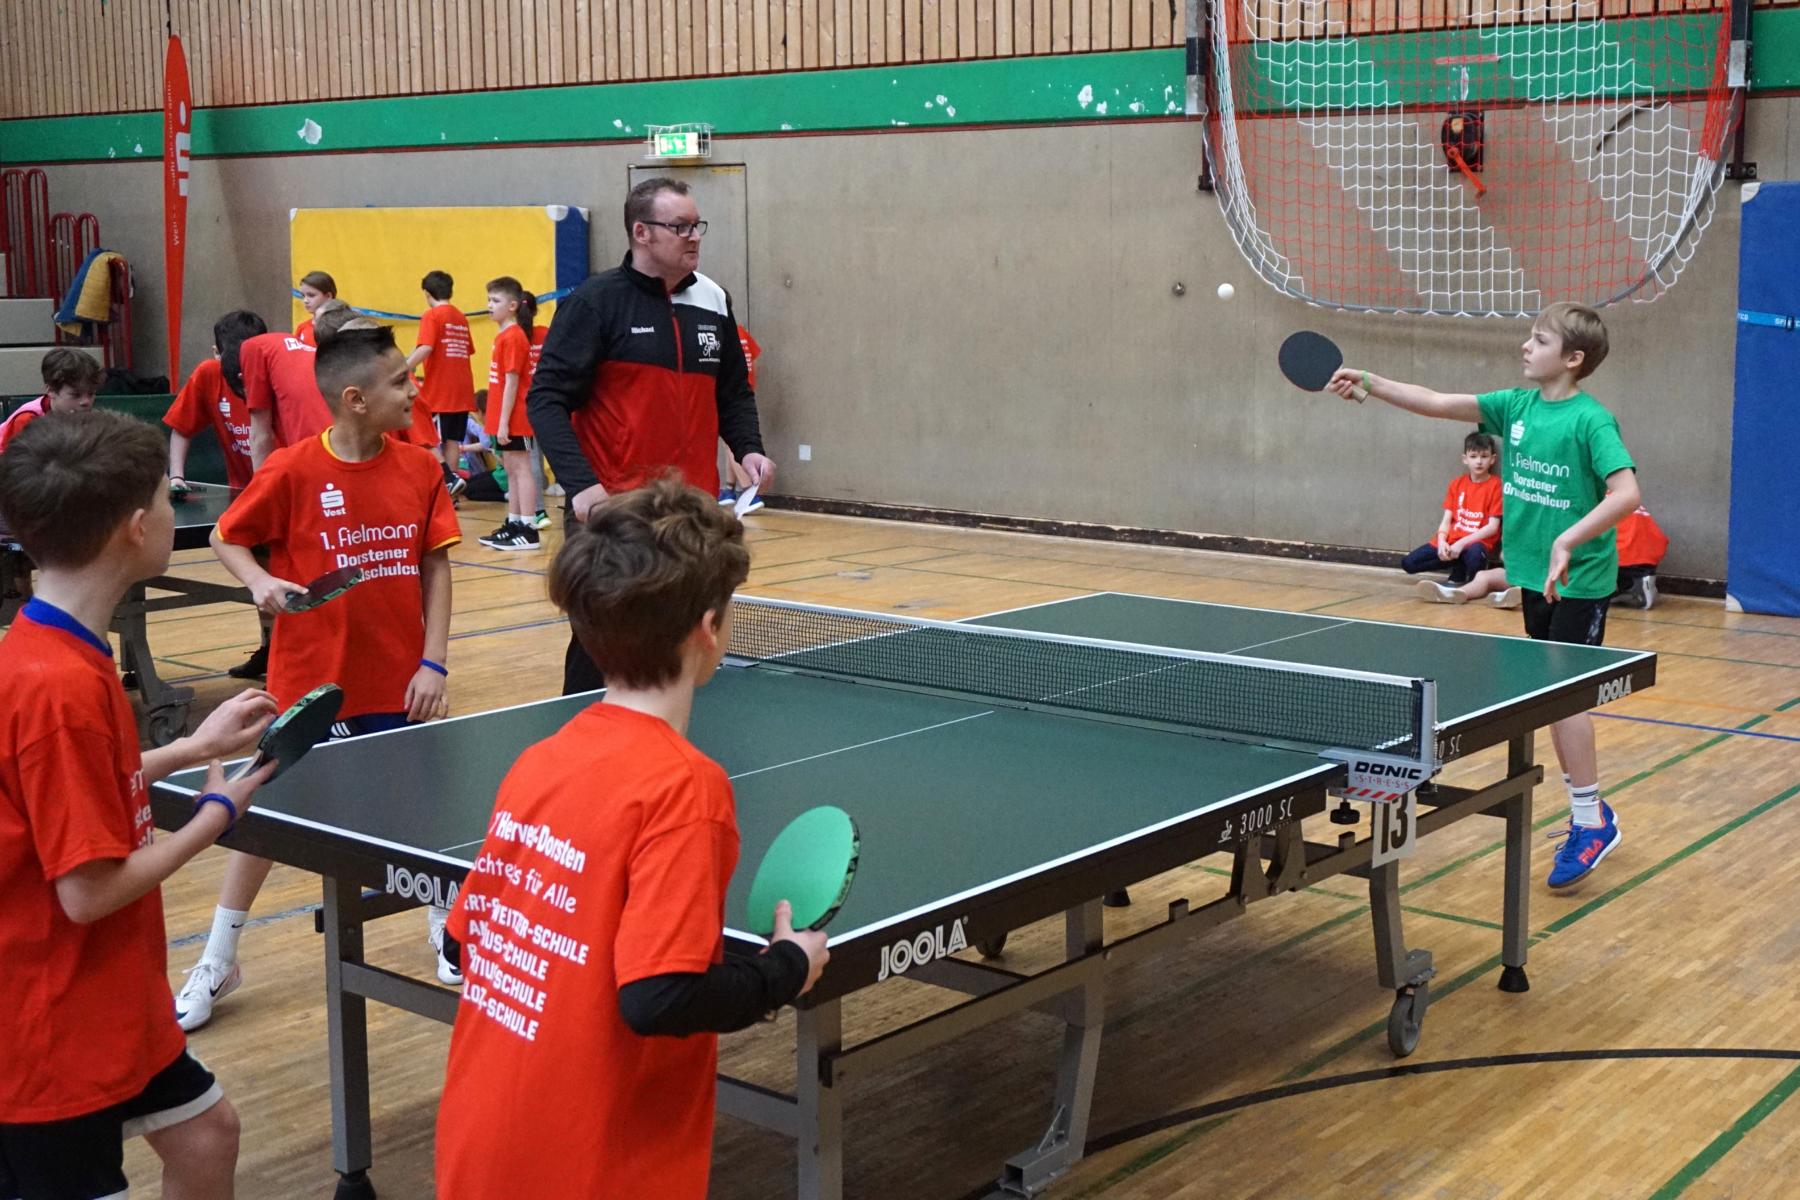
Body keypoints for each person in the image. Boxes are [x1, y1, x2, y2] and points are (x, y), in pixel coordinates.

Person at [434, 478, 828, 1198]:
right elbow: (657, 998)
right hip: (595, 1165)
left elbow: (465, 943)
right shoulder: (686, 789)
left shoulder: (540, 759)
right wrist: (786, 969)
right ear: (710, 628)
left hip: (481, 1143)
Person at [0, 409, 278, 1200]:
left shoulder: (58, 648)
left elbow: (72, 787)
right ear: (135, 528)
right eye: (163, 496)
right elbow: (87, 893)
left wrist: (190, 750)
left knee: (206, 1135)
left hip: (111, 997)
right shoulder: (56, 690)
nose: (169, 507)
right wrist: (217, 816)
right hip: (50, 1029)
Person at [174, 325, 462, 1031]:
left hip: (399, 677)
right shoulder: (293, 470)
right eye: (400, 381)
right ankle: (219, 956)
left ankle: (446, 927)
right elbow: (224, 536)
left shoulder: (420, 468)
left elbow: (435, 565)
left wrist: (433, 660)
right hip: (309, 682)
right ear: (355, 399)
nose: (414, 389)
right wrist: (258, 581)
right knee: (264, 815)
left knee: (421, 805)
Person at [1331, 301, 1640, 890]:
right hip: (1533, 573)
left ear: (1573, 358)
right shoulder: (1514, 406)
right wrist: (1371, 381)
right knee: (1551, 695)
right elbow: (1437, 402)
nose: (1526, 345)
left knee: (1566, 697)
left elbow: (1626, 493)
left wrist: (1568, 539)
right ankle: (1590, 812)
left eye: (1539, 340)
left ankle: (1590, 820)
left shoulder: (1591, 421)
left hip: (1579, 577)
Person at [529, 176, 776, 694]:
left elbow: (733, 390)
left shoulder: (713, 299)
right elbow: (546, 400)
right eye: (680, 226)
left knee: (686, 639)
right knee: (605, 643)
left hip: (692, 512)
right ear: (641, 232)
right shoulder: (595, 303)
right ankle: (585, 728)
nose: (694, 236)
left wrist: (749, 448)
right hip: (615, 511)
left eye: (697, 225)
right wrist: (582, 485)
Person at [166, 310, 265, 492]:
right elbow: (181, 429)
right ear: (217, 354)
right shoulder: (207, 375)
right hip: (241, 491)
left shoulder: (279, 377)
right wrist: (176, 477)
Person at [477, 277, 543, 551]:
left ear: (513, 306)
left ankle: (529, 528)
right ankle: (514, 522)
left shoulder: (515, 336)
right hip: (503, 417)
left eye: (496, 301)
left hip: (516, 416)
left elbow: (513, 382)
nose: (489, 305)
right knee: (512, 470)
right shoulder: (503, 336)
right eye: (489, 300)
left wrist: (504, 422)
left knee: (521, 469)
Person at [1405, 431, 1505, 604]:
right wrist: (1442, 541)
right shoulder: (1456, 484)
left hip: (1475, 544)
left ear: (1492, 459)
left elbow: (1492, 527)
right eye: (1473, 456)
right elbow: (1446, 520)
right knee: (1409, 563)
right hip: (1452, 541)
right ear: (1465, 459)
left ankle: (1468, 582)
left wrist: (1461, 544)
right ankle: (1457, 567)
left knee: (1474, 554)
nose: (1479, 461)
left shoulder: (1497, 485)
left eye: (1484, 456)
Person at [406, 270, 475, 498]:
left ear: (427, 293)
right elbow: (467, 350)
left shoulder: (432, 315)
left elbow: (426, 347)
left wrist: (403, 367)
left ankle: (445, 484)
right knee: (453, 441)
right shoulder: (460, 316)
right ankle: (451, 491)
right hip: (463, 389)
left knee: (432, 440)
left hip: (441, 391)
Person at [0, 348, 103, 454]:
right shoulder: (27, 420)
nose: (86, 402)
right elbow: (13, 461)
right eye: (75, 395)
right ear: (51, 390)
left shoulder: (90, 419)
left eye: (91, 394)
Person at [717, 323, 764, 513]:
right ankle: (729, 489)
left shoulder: (721, 330)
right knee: (728, 445)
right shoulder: (741, 332)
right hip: (745, 387)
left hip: (733, 392)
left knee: (733, 445)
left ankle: (748, 490)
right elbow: (754, 358)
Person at [1613, 501, 1669, 609]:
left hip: (1625, 550)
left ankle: (1630, 585)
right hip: (1651, 550)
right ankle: (1639, 583)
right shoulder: (1626, 497)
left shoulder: (1595, 499)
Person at [294, 270, 338, 346]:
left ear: (328, 296)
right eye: (303, 296)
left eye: (311, 295)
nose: (305, 300)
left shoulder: (342, 328)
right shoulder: (302, 328)